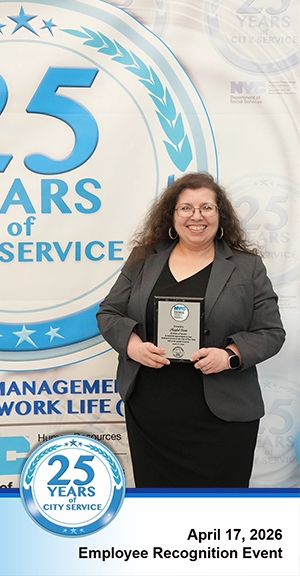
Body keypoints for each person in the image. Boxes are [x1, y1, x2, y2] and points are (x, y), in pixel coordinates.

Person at [96, 172, 285, 488]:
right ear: (171, 215)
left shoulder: (247, 266)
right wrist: (134, 347)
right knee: (159, 505)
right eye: (186, 208)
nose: (196, 216)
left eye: (206, 207)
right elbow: (109, 313)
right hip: (152, 412)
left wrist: (229, 356)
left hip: (224, 415)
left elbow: (271, 332)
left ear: (220, 215)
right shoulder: (143, 260)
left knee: (220, 507)